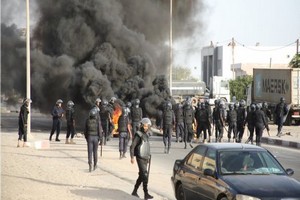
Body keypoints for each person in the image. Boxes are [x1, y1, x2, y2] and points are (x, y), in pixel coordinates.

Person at [130, 118, 153, 200]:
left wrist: (149, 155)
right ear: (142, 126)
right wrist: (132, 157)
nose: (146, 127)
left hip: (145, 157)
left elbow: (146, 146)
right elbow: (132, 146)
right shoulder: (138, 135)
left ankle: (134, 191)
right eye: (145, 126)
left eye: (147, 126)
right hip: (140, 157)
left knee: (141, 175)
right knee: (145, 175)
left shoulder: (147, 135)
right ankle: (146, 193)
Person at [84, 107, 102, 172]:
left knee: (89, 152)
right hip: (96, 138)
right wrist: (100, 139)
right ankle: (95, 165)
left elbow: (85, 131)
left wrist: (87, 138)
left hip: (89, 137)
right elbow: (99, 130)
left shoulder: (87, 120)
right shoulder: (98, 121)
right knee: (95, 152)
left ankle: (90, 165)